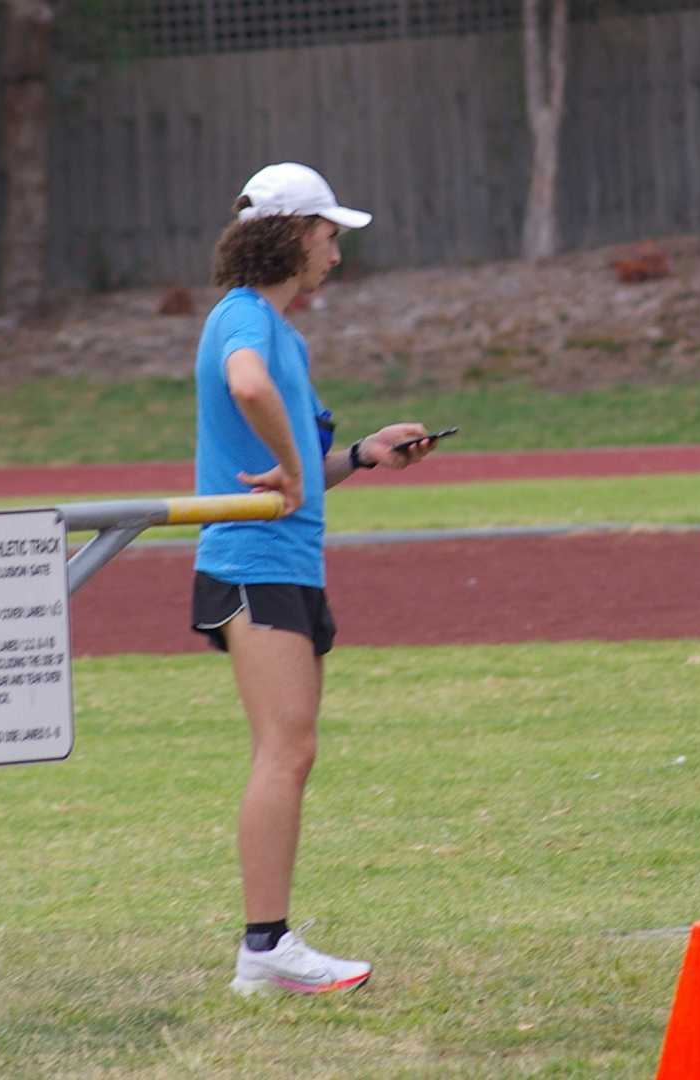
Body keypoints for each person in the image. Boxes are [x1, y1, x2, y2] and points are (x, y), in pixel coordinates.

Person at [191, 162, 446, 996]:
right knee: (286, 749)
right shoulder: (245, 322)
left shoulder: (279, 329)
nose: (336, 253)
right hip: (251, 564)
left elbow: (286, 461)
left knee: (291, 752)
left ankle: (268, 946)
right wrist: (296, 470)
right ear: (293, 233)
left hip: (284, 563)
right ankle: (264, 950)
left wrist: (361, 456)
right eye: (330, 236)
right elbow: (247, 388)